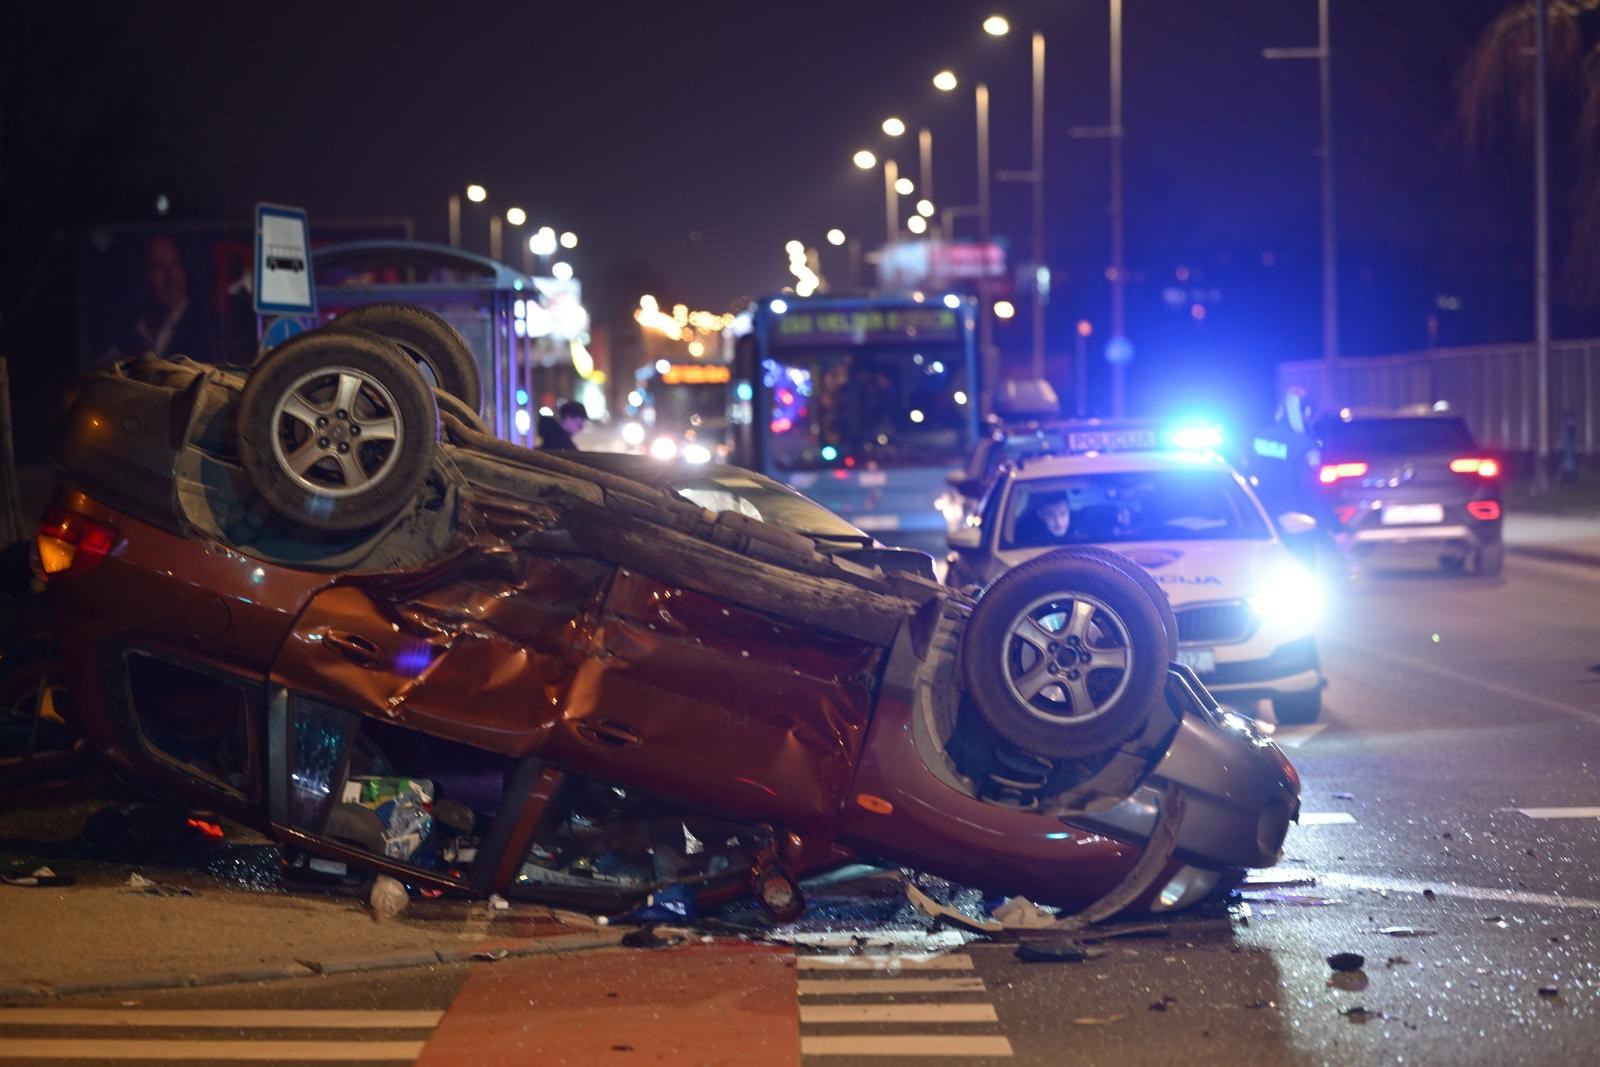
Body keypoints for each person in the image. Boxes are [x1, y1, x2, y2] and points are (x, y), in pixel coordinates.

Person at [107, 235, 213, 361]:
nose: (172, 277)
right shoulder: (126, 331)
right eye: (158, 266)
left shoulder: (208, 327)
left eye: (176, 264)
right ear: (139, 275)